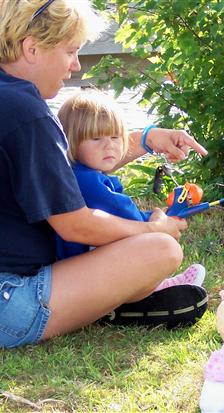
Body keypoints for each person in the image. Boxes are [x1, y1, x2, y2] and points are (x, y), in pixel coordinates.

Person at [0, 0, 209, 348]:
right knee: (161, 250)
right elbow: (75, 223)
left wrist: (145, 140)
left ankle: (100, 302)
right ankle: (108, 304)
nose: (75, 65)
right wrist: (150, 228)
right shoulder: (21, 109)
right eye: (71, 51)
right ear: (31, 48)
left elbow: (60, 167)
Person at [55, 90, 205, 293]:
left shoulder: (80, 173)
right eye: (97, 138)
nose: (109, 146)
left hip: (75, 264)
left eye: (116, 137)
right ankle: (152, 289)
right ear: (72, 143)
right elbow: (126, 215)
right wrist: (158, 220)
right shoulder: (87, 180)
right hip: (80, 268)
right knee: (153, 246)